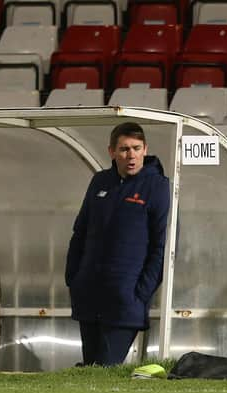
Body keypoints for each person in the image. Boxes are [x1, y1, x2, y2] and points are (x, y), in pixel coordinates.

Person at [65, 122, 170, 366]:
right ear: (112, 152)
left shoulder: (158, 187)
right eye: (124, 149)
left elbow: (161, 247)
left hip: (125, 301)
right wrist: (74, 278)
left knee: (105, 368)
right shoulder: (100, 182)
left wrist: (139, 294)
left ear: (145, 149)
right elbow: (79, 232)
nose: (130, 155)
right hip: (89, 296)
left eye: (136, 148)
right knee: (90, 371)